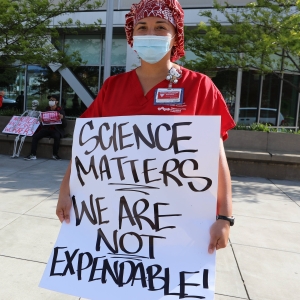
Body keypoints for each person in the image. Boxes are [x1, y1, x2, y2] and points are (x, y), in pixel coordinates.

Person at [56, 0, 236, 254]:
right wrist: (66, 189)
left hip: (179, 220)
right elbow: (88, 146)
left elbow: (216, 157)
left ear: (176, 37)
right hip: (116, 217)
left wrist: (225, 217)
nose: (150, 34)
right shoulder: (113, 87)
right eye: (142, 27)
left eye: (160, 27)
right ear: (132, 35)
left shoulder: (199, 87)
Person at [24, 95, 67, 160]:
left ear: (57, 102)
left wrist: (62, 118)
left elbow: (64, 125)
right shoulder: (46, 110)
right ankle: (33, 154)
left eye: (52, 100)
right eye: (50, 100)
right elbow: (43, 124)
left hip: (56, 130)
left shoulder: (60, 111)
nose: (50, 101)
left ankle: (55, 154)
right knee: (35, 136)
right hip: (46, 129)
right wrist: (41, 121)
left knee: (57, 137)